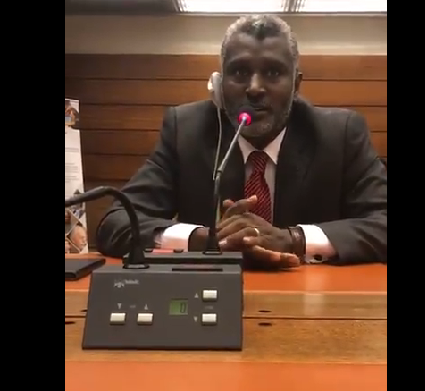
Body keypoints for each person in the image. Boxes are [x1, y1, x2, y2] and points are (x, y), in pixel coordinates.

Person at [96, 14, 387, 269]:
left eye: (273, 72)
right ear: (219, 85)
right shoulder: (186, 131)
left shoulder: (340, 135)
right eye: (239, 72)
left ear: (296, 86)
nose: (255, 88)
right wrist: (206, 240)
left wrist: (293, 240)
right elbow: (116, 222)